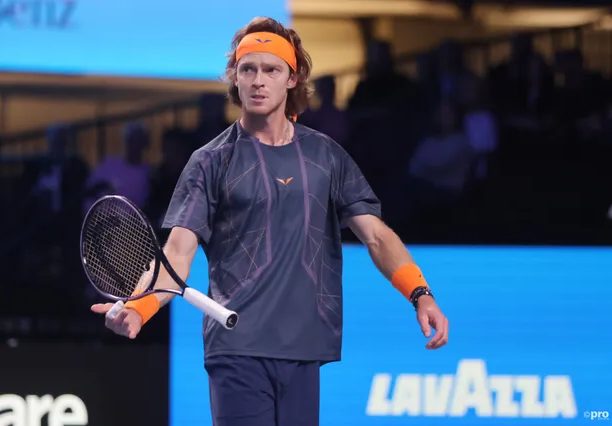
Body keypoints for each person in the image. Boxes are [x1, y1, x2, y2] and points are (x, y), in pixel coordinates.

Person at [91, 16, 449, 426]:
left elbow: (376, 237)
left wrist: (420, 293)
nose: (258, 80)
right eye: (248, 69)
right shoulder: (209, 161)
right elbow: (177, 255)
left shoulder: (326, 156)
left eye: (271, 69)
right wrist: (139, 308)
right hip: (236, 349)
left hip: (304, 349)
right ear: (235, 78)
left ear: (291, 79)